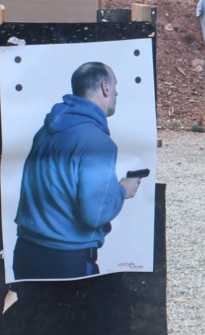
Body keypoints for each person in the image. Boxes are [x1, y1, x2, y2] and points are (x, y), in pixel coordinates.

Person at [12, 62, 142, 280]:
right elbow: (96, 214)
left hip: (26, 254)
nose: (117, 92)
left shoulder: (45, 131)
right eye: (115, 85)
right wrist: (122, 191)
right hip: (65, 263)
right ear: (105, 88)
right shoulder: (97, 142)